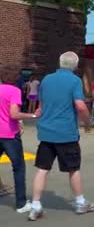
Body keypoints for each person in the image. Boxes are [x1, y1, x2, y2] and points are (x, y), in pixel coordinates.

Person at [28, 51, 94, 221]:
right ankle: (80, 203)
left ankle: (35, 205)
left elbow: (41, 106)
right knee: (73, 169)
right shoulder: (74, 81)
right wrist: (87, 123)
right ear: (74, 65)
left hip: (46, 133)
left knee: (42, 169)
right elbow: (80, 106)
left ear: (60, 63)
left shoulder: (46, 80)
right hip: (66, 134)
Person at [0, 81, 39, 213]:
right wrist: (33, 115)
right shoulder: (14, 91)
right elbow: (14, 114)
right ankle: (21, 204)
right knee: (18, 168)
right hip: (9, 135)